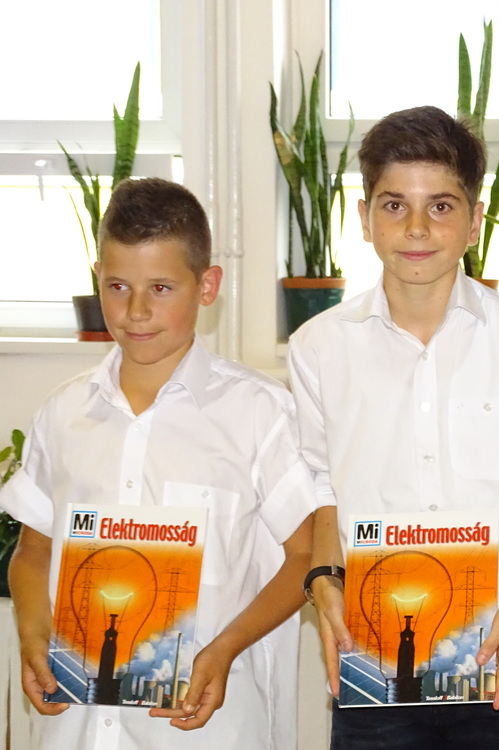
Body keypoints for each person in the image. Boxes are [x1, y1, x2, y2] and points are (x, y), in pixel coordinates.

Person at [286, 105, 499, 749]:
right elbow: (320, 489)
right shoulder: (318, 346)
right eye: (394, 205)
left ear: (474, 221)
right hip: (375, 669)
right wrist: (324, 581)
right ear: (364, 218)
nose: (416, 228)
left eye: (440, 206)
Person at [0, 177, 318, 750]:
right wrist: (31, 630)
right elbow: (34, 549)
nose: (137, 311)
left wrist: (226, 647)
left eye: (162, 288)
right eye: (118, 286)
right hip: (74, 725)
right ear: (98, 278)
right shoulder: (64, 412)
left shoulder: (259, 412)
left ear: (207, 285)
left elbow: (307, 557)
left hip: (204, 731)